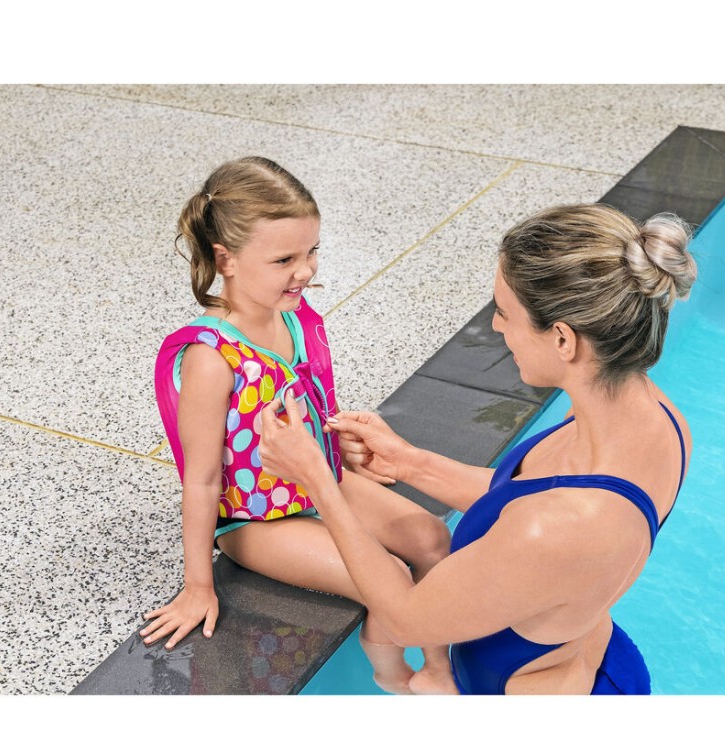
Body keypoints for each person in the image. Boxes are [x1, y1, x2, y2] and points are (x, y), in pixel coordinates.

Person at [258, 202, 697, 694]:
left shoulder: (557, 528)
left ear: (563, 339)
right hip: (591, 657)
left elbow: (405, 619)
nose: (496, 327)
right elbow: (526, 495)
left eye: (504, 313)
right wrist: (409, 461)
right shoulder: (658, 419)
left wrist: (316, 479)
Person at [140, 156, 455, 694]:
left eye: (311, 252)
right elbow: (202, 479)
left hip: (316, 481)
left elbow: (306, 405)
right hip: (254, 520)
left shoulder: (298, 319)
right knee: (389, 578)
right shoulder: (212, 359)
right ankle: (395, 678)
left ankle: (440, 667)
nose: (305, 271)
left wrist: (343, 449)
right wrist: (198, 585)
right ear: (226, 259)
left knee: (432, 538)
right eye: (285, 259)